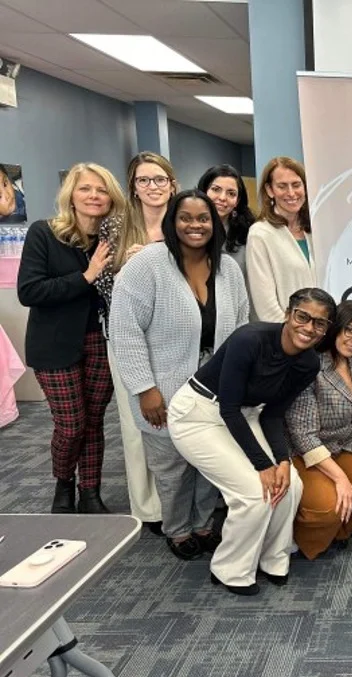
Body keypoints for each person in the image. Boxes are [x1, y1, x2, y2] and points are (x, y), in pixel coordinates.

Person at [167, 288, 335, 595]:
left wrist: (282, 462)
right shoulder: (250, 339)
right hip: (198, 414)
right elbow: (227, 408)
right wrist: (262, 465)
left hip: (247, 416)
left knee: (292, 484)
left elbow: (273, 414)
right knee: (253, 492)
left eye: (320, 323)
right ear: (288, 314)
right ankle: (230, 568)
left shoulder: (309, 364)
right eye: (303, 317)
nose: (309, 328)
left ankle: (274, 557)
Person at [110, 190, 249, 559]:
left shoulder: (228, 268)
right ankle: (177, 529)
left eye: (203, 218)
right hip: (164, 386)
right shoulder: (148, 265)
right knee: (172, 466)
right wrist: (144, 388)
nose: (195, 225)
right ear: (172, 221)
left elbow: (241, 326)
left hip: (214, 387)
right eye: (185, 217)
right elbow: (125, 331)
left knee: (209, 460)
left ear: (214, 223)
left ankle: (203, 523)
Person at [16, 163, 127, 513]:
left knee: (94, 422)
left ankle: (90, 492)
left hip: (101, 340)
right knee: (71, 425)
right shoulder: (44, 233)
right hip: (55, 344)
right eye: (86, 189)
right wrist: (88, 275)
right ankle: (63, 483)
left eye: (102, 189)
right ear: (71, 196)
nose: (94, 196)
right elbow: (30, 291)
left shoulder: (115, 238)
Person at [285, 300, 352, 558]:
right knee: (327, 507)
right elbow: (303, 434)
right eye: (350, 330)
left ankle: (338, 531)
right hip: (307, 451)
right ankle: (305, 540)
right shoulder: (311, 363)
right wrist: (341, 478)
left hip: (344, 444)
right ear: (335, 327)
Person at [109, 151, 179, 528]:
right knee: (136, 422)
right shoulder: (118, 228)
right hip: (128, 337)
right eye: (143, 180)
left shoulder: (184, 223)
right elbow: (102, 284)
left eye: (159, 179)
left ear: (172, 183)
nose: (152, 187)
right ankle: (148, 508)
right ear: (133, 187)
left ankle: (181, 502)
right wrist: (130, 267)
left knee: (175, 421)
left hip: (174, 338)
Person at [246, 156, 316, 322]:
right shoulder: (260, 234)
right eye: (282, 186)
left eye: (296, 185)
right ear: (270, 190)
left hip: (319, 334)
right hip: (284, 338)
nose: (291, 193)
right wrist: (294, 335)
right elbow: (266, 307)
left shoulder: (315, 231)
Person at [197, 164, 256, 280]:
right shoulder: (187, 230)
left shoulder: (248, 235)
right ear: (204, 191)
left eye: (231, 193)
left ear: (237, 201)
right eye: (216, 190)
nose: (222, 197)